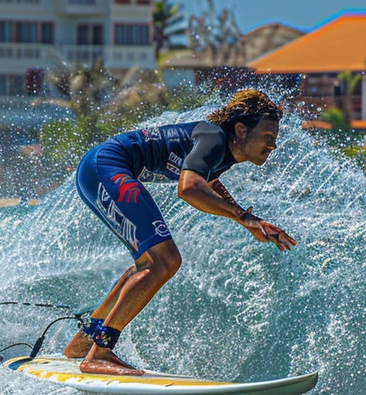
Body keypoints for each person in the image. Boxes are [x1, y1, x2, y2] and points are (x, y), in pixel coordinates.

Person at [62, 89, 296, 375]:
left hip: (97, 167)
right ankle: (100, 353)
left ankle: (84, 342)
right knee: (165, 261)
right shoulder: (214, 138)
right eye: (268, 138)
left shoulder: (222, 150)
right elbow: (187, 188)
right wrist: (244, 217)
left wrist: (249, 222)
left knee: (148, 264)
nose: (272, 145)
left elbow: (208, 182)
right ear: (240, 129)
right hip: (107, 166)